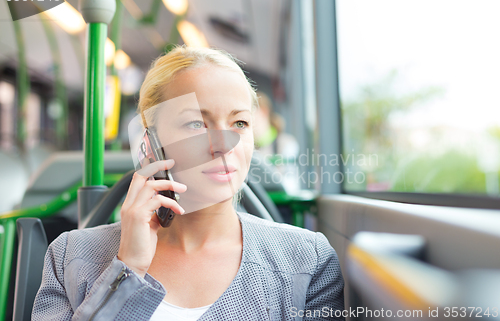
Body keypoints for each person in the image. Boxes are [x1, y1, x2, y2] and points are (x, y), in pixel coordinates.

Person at [32, 46, 344, 320]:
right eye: (196, 124)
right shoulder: (71, 257)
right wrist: (127, 270)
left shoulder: (307, 261)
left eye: (240, 123)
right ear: (150, 143)